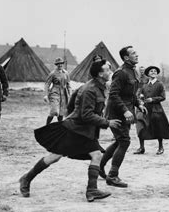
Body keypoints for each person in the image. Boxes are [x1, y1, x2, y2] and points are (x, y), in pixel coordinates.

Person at [19, 60, 122, 202]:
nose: (110, 72)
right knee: (54, 156)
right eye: (107, 69)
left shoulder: (99, 87)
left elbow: (80, 106)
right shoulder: (90, 89)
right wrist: (107, 122)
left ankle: (92, 190)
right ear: (99, 73)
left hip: (85, 131)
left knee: (96, 155)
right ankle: (26, 178)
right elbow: (86, 114)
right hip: (74, 129)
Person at [98, 46, 148, 188]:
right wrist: (125, 111)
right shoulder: (121, 73)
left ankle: (99, 167)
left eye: (136, 52)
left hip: (127, 111)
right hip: (117, 112)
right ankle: (112, 176)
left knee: (119, 141)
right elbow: (113, 94)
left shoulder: (133, 71)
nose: (137, 55)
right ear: (126, 57)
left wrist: (139, 104)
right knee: (124, 141)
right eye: (133, 53)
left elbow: (131, 93)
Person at [133, 66, 169, 155]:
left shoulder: (160, 84)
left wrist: (152, 99)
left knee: (158, 127)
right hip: (145, 109)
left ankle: (160, 147)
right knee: (141, 126)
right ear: (148, 74)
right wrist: (141, 101)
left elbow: (163, 97)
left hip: (156, 109)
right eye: (151, 71)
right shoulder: (145, 85)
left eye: (155, 71)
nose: (153, 72)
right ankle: (141, 147)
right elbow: (139, 95)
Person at [43, 57, 71, 125]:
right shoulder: (53, 73)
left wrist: (70, 94)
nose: (60, 65)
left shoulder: (66, 73)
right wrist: (46, 95)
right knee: (54, 111)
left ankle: (60, 126)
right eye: (58, 64)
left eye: (61, 64)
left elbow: (68, 85)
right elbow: (47, 84)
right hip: (55, 93)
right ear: (56, 65)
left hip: (63, 94)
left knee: (61, 113)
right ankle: (47, 125)